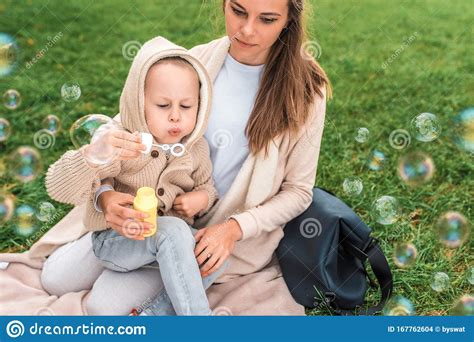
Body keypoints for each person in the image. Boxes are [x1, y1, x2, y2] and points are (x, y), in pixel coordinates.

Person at [39, 0, 331, 315]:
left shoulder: (306, 90)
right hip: (141, 222)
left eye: (268, 19)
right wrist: (105, 196)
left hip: (209, 237)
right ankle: (123, 256)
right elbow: (130, 124)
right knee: (53, 279)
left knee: (105, 306)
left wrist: (233, 228)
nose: (246, 30)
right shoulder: (196, 62)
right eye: (238, 11)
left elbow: (299, 191)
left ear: (289, 20)